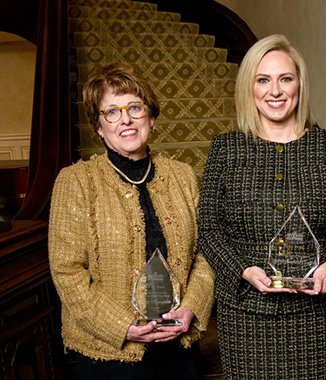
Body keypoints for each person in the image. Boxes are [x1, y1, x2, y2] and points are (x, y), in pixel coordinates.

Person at [197, 34, 326, 379]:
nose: (276, 91)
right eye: (263, 80)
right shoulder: (225, 150)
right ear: (248, 87)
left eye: (285, 78)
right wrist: (242, 269)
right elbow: (208, 229)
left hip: (314, 315)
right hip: (245, 315)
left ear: (300, 83)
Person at [48, 62, 214, 379]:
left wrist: (190, 308)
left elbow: (204, 254)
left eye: (134, 107)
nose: (125, 119)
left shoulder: (182, 176)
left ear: (150, 117)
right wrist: (123, 327)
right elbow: (67, 271)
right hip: (110, 357)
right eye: (111, 112)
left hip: (178, 348)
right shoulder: (76, 182)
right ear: (99, 127)